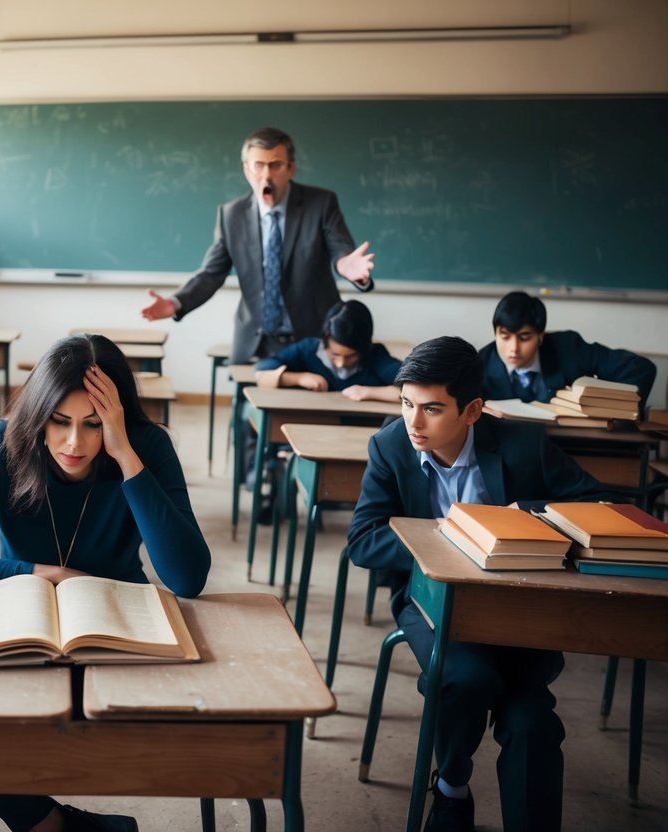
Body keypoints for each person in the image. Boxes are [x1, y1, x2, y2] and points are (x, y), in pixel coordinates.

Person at [0, 333, 210, 832]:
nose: (75, 443)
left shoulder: (145, 446)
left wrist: (126, 453)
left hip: (120, 635)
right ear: (39, 413)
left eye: (94, 425)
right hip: (27, 632)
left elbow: (188, 577)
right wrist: (38, 572)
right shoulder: (3, 445)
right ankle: (57, 826)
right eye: (60, 422)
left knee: (183, 742)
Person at [346, 336, 619, 832]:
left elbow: (600, 505)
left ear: (472, 410)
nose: (414, 421)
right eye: (406, 403)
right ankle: (452, 786)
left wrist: (529, 516)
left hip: (521, 611)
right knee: (465, 677)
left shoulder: (524, 445)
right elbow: (362, 542)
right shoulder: (390, 446)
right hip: (433, 602)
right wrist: (453, 536)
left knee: (530, 721)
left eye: (431, 408)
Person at [140, 126, 376, 367]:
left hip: (312, 337)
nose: (266, 175)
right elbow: (211, 273)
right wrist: (176, 302)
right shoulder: (231, 215)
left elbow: (341, 249)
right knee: (252, 403)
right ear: (246, 169)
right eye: (258, 165)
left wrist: (346, 265)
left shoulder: (321, 204)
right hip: (257, 340)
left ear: (291, 168)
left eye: (275, 165)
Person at [479, 290, 656, 409]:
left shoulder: (569, 348)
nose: (514, 348)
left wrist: (612, 410)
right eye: (504, 336)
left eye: (524, 337)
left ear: (541, 335)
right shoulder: (479, 364)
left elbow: (639, 369)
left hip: (571, 447)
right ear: (495, 333)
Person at [254, 299, 400, 402]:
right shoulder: (309, 350)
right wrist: (299, 378)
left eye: (351, 356)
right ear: (324, 343)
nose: (341, 363)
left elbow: (413, 386)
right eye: (335, 354)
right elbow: (262, 370)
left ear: (364, 347)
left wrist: (369, 392)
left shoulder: (375, 355)